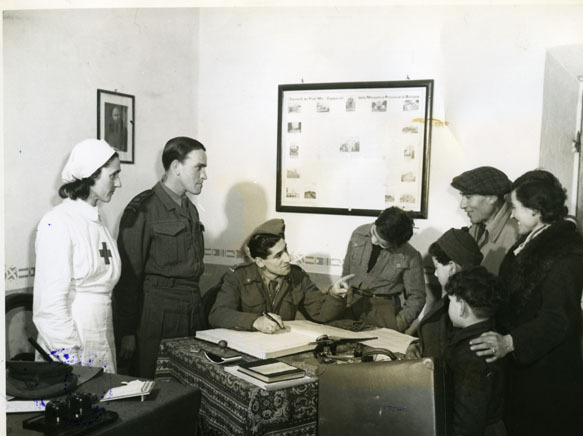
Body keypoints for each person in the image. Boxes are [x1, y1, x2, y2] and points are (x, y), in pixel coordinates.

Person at [469, 169, 583, 436]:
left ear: (536, 211)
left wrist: (510, 342)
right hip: (528, 368)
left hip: (550, 372)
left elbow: (558, 319)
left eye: (517, 208)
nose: (512, 215)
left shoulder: (565, 252)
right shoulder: (533, 240)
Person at [114, 136, 207, 378]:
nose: (204, 175)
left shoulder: (190, 209)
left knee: (188, 384)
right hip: (158, 316)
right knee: (155, 384)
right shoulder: (143, 208)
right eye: (199, 167)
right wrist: (127, 331)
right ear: (176, 167)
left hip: (192, 312)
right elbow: (128, 277)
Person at [33, 139, 122, 373]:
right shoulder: (57, 222)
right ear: (91, 176)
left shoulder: (98, 219)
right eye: (113, 175)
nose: (118, 183)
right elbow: (49, 305)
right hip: (72, 338)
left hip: (100, 331)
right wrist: (69, 358)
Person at [209, 219, 352, 333]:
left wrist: (335, 295)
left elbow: (321, 313)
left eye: (286, 250)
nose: (288, 258)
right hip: (244, 346)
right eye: (278, 256)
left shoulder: (297, 277)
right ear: (260, 262)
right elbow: (218, 314)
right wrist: (255, 321)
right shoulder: (238, 277)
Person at [440, 266, 509, 436]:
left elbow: (468, 428)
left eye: (451, 301)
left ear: (462, 307)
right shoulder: (486, 337)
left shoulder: (472, 354)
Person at [341, 206, 425, 332]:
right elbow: (346, 273)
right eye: (373, 232)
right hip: (350, 307)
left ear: (395, 244)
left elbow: (417, 297)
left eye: (381, 243)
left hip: (383, 314)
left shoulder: (410, 256)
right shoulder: (358, 233)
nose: (373, 240)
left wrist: (398, 324)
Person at [406, 228, 483, 362]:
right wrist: (417, 346)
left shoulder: (459, 307)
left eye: (436, 267)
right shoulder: (456, 296)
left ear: (452, 267)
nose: (435, 274)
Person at [451, 166, 519, 274]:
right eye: (462, 197)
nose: (462, 205)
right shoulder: (476, 228)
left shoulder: (516, 234)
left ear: (492, 198)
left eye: (468, 197)